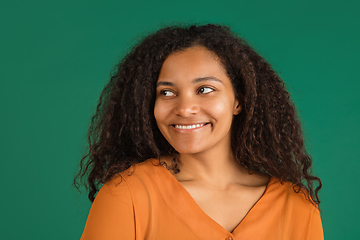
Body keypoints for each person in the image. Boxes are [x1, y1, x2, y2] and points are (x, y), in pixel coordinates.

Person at [75, 24, 323, 240]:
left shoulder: (297, 208)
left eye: (205, 89)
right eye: (167, 93)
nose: (184, 109)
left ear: (239, 101)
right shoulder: (127, 196)